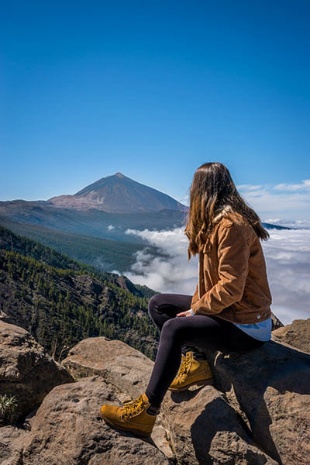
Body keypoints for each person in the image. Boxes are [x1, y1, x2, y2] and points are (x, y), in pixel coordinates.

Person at [99, 162, 272, 438]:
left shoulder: (232, 227)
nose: (190, 191)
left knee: (174, 328)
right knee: (159, 304)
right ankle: (197, 362)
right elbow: (209, 283)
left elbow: (231, 288)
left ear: (204, 190)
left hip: (247, 325)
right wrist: (196, 304)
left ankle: (147, 411)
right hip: (230, 313)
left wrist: (196, 309)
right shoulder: (215, 223)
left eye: (194, 186)